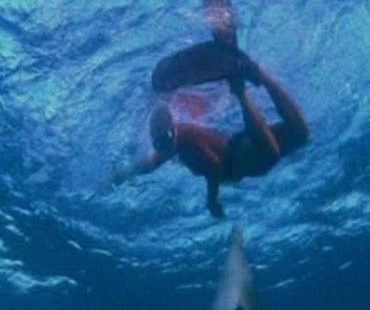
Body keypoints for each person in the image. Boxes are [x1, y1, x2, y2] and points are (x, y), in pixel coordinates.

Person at [109, 46, 309, 218]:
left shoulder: (264, 153)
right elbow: (263, 129)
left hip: (216, 159)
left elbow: (257, 127)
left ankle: (130, 167)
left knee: (174, 142)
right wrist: (257, 78)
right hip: (226, 161)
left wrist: (242, 92)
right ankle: (137, 162)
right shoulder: (259, 153)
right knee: (301, 132)